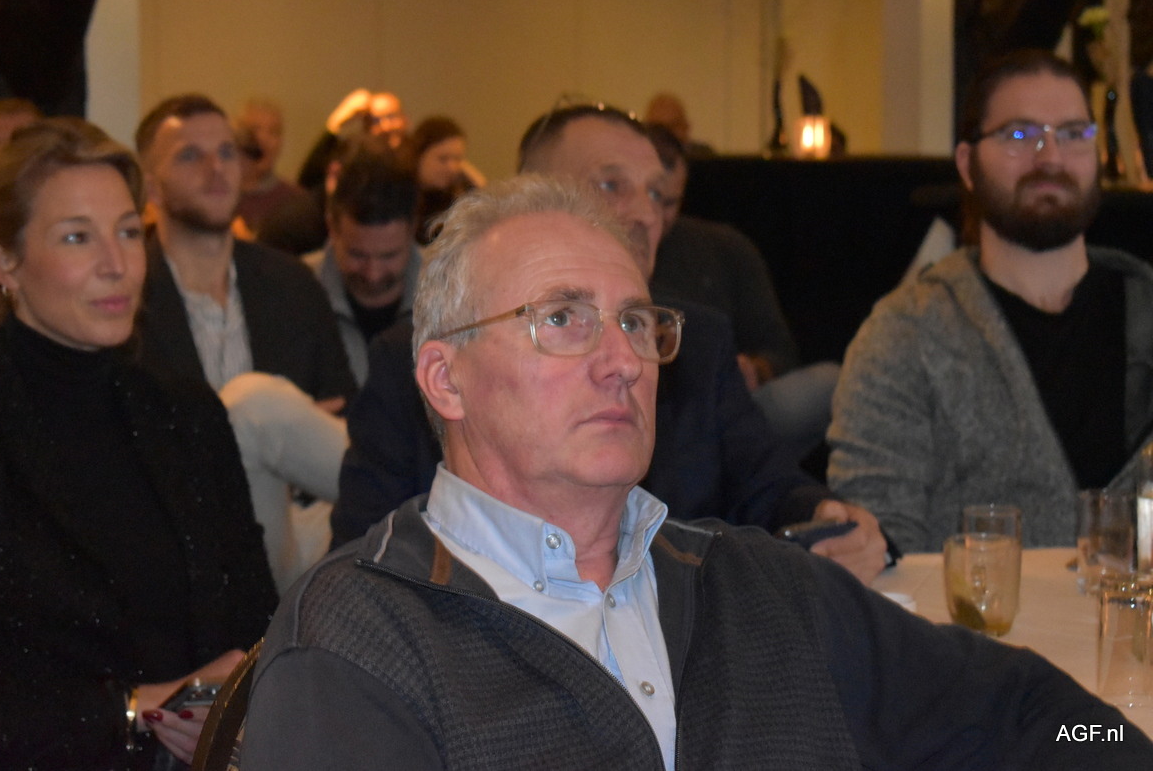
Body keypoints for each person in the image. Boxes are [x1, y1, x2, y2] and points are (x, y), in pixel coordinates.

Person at [239, 177, 1151, 769]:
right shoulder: (356, 645)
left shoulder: (762, 586)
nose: (621, 361)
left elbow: (1030, 715)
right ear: (445, 379)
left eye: (636, 323)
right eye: (562, 319)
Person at [331, 104, 887, 584]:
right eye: (611, 186)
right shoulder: (433, 355)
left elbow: (767, 484)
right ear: (532, 196)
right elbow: (361, 564)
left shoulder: (692, 341)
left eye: (657, 194)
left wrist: (825, 516)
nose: (644, 214)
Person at [0, 119, 278, 769]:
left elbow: (256, 618)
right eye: (76, 237)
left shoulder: (187, 414)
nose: (116, 265)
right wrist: (130, 711)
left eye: (128, 232)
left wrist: (235, 693)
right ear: (4, 263)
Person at [829, 49, 1153, 553]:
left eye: (1073, 134)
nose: (1050, 157)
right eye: (1020, 135)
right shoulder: (905, 334)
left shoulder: (1144, 308)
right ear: (967, 164)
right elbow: (876, 543)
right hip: (973, 607)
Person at [133, 93, 355, 590]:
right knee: (256, 406)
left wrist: (293, 440)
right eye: (190, 155)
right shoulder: (127, 301)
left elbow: (342, 411)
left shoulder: (291, 283)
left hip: (303, 520)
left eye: (227, 152)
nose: (216, 169)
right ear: (150, 189)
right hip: (187, 535)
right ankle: (437, 505)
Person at [647, 124, 840, 465]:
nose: (653, 217)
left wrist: (754, 369)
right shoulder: (599, 253)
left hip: (728, 412)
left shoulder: (726, 248)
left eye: (669, 202)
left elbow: (780, 351)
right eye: (648, 196)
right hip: (646, 413)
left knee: (830, 381)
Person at [304, 148, 421, 386]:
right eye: (357, 255)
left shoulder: (452, 296)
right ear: (331, 227)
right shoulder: (294, 290)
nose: (373, 274)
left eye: (389, 255)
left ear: (413, 230)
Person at [296, 88, 407, 192]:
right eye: (375, 121)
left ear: (405, 120)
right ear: (366, 128)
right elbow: (308, 184)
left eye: (391, 117)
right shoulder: (356, 166)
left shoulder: (413, 159)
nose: (385, 126)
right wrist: (336, 124)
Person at [232, 96, 313, 235]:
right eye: (255, 129)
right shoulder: (217, 195)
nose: (264, 139)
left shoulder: (296, 202)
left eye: (273, 132)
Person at [406, 115, 483, 242]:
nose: (452, 168)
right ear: (419, 156)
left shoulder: (457, 198)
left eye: (457, 159)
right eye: (443, 159)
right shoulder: (403, 200)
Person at [643, 90, 715, 158]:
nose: (666, 134)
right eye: (658, 128)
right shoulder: (640, 158)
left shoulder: (705, 157)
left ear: (686, 127)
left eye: (673, 126)